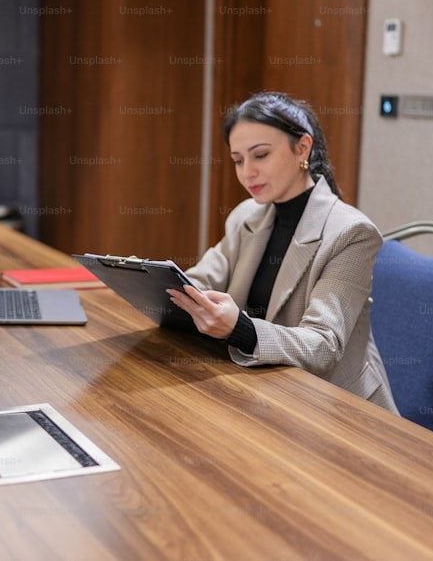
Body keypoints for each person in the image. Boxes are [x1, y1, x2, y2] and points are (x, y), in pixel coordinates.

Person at [167, 91, 398, 412]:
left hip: (335, 406)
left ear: (302, 148)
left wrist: (241, 329)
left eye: (260, 155)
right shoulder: (247, 215)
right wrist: (157, 283)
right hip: (266, 390)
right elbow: (200, 280)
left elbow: (323, 346)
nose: (247, 172)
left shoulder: (351, 232)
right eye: (237, 160)